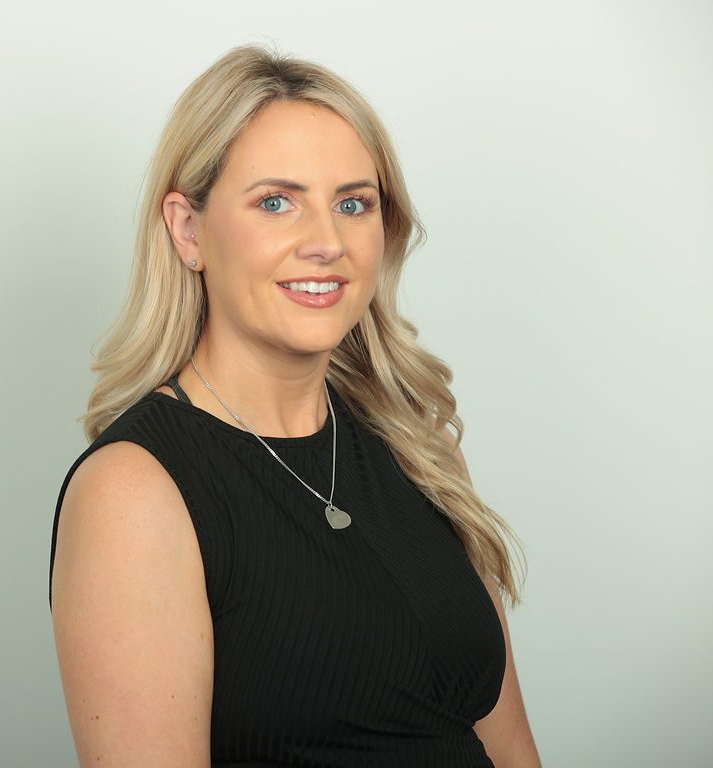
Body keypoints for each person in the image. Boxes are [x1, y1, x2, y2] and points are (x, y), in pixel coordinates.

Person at [48, 44, 541, 767]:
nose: (326, 243)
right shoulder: (135, 493)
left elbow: (511, 751)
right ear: (188, 231)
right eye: (276, 202)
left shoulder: (421, 447)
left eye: (353, 203)